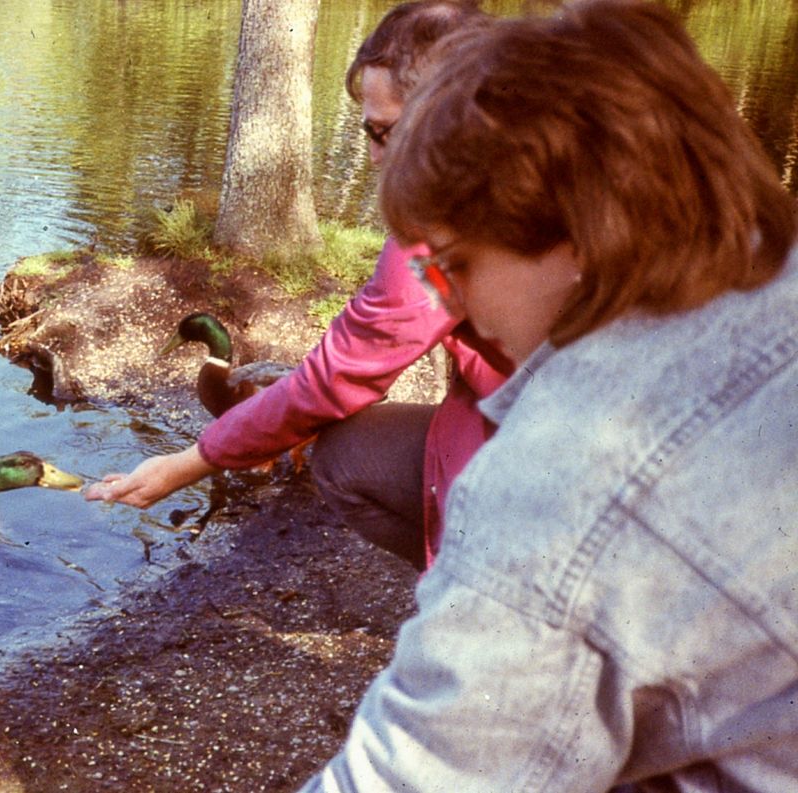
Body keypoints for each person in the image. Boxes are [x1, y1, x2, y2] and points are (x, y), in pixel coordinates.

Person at [300, 0, 798, 789]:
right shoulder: (771, 266)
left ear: (577, 230)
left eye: (455, 265)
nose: (452, 299)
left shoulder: (567, 482)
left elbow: (403, 777)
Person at [85, 0, 506, 572]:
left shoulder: (438, 228)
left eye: (385, 133)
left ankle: (468, 586)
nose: (375, 157)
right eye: (368, 134)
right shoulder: (562, 165)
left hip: (539, 446)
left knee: (344, 456)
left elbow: (338, 376)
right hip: (561, 427)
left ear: (452, 117)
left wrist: (184, 465)